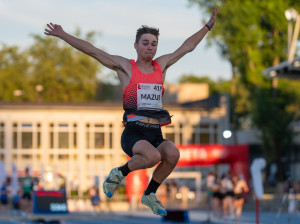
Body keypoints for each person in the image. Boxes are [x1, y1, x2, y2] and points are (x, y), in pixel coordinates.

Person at [44, 7, 218, 216]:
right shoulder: (125, 67)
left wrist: (207, 27)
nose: (150, 48)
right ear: (135, 46)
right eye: (145, 43)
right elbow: (93, 51)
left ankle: (149, 194)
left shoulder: (161, 65)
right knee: (153, 156)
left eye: (154, 44)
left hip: (155, 133)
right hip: (134, 133)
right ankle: (117, 174)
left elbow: (187, 47)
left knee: (172, 153)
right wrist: (63, 34)